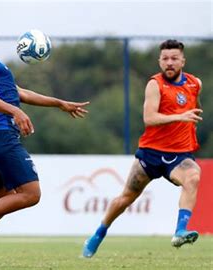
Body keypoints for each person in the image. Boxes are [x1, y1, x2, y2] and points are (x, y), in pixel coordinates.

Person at [0, 15, 89, 267]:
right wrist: (15, 111)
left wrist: (59, 103)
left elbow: (19, 93)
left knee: (2, 201)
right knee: (30, 194)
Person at [82, 39, 203, 258]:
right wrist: (180, 116)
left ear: (183, 61)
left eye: (174, 58)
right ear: (159, 61)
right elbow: (149, 118)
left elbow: (194, 108)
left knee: (193, 177)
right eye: (165, 58)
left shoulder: (195, 84)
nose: (169, 62)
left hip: (179, 155)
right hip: (151, 153)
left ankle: (179, 231)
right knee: (126, 198)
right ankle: (98, 234)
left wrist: (191, 117)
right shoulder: (155, 85)